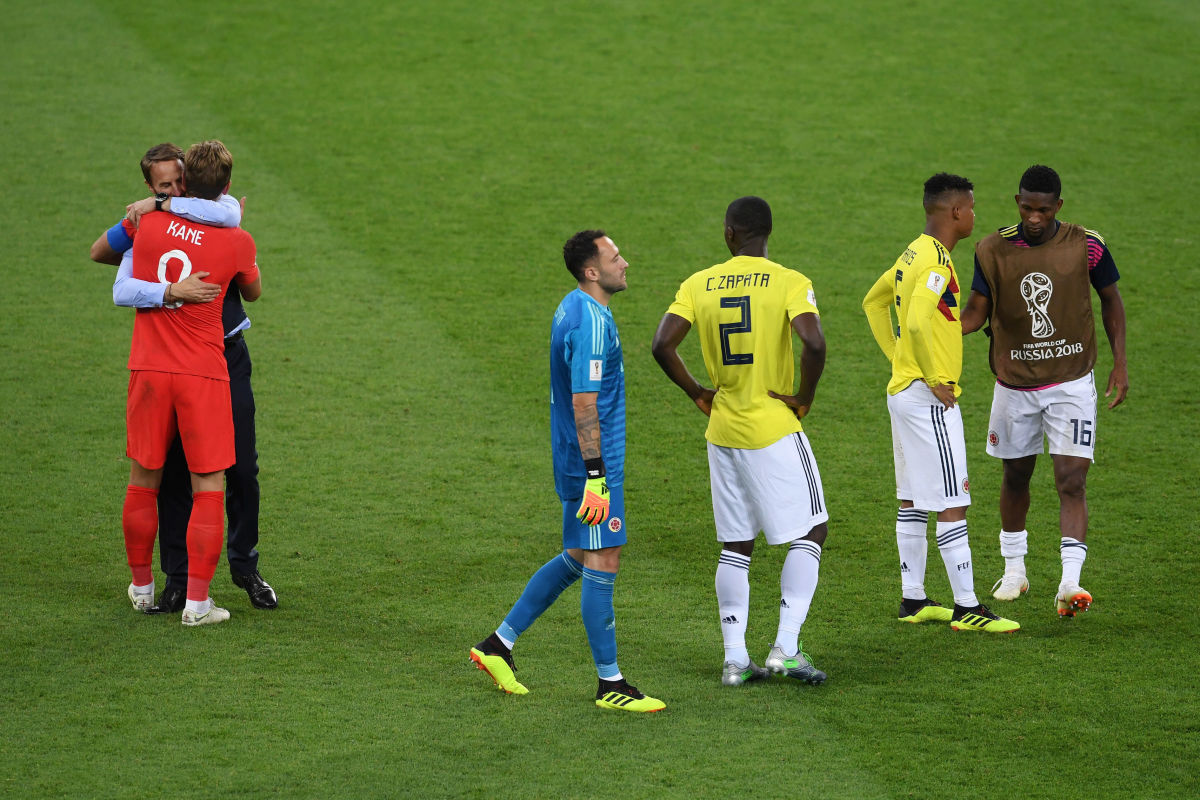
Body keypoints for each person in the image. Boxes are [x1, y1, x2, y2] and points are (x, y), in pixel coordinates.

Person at [469, 230, 665, 713]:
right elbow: (584, 403)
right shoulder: (591, 324)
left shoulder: (573, 306)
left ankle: (498, 645)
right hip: (591, 467)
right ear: (592, 272)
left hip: (574, 458)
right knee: (604, 559)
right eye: (615, 257)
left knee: (578, 555)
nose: (626, 263)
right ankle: (610, 684)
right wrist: (597, 475)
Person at [651, 196, 829, 687]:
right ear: (767, 234)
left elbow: (661, 344)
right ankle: (786, 649)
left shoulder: (698, 283)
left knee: (735, 544)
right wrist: (804, 396)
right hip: (772, 425)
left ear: (730, 234)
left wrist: (697, 393)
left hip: (723, 427)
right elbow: (814, 342)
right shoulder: (790, 281)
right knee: (812, 529)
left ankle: (734, 660)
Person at [92, 143, 277, 613]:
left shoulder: (164, 219)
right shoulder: (196, 227)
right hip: (198, 364)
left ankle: (242, 567)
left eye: (176, 185)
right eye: (162, 187)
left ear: (188, 184)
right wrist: (168, 284)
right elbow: (101, 253)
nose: (171, 190)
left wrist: (160, 210)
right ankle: (183, 583)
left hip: (217, 357)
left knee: (241, 470)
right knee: (184, 475)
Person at [961, 164, 1128, 617]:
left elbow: (1111, 299)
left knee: (1071, 479)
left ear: (1058, 206)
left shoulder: (1087, 246)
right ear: (1018, 202)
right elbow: (976, 311)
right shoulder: (992, 249)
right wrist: (933, 327)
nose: (1034, 217)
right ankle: (1015, 570)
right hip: (1014, 384)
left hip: (1071, 382)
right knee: (1015, 475)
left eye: (1043, 209)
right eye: (1026, 207)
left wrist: (1120, 363)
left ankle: (1070, 581)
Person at [862, 173, 1019, 634]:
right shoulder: (936, 262)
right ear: (955, 212)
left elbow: (872, 303)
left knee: (911, 499)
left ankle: (913, 600)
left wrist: (898, 360)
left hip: (901, 393)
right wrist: (931, 376)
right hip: (928, 398)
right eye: (971, 208)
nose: (974, 214)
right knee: (953, 500)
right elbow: (913, 321)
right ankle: (968, 607)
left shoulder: (911, 251)